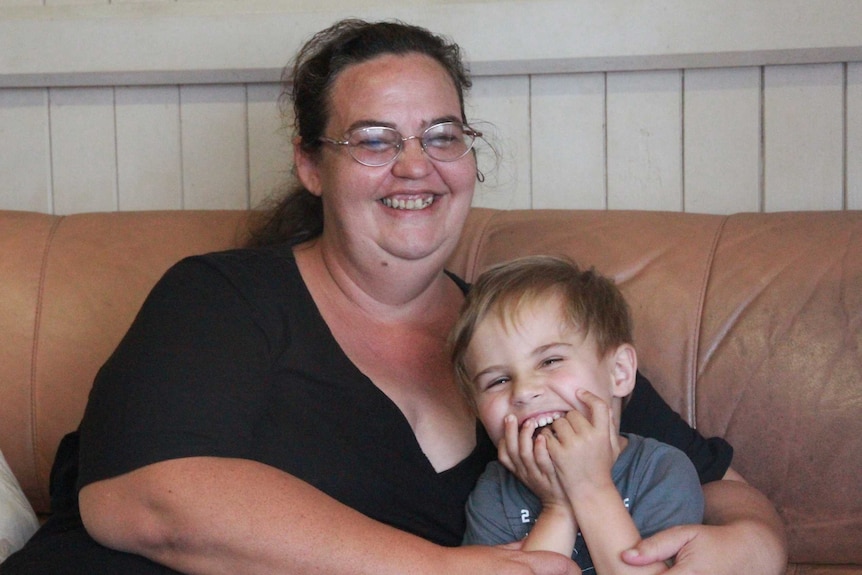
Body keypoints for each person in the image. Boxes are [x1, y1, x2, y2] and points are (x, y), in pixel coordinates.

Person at [1, 18, 785, 575]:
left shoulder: (528, 339)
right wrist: (439, 568)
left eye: (442, 135)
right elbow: (143, 499)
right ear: (311, 164)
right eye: (375, 140)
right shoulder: (224, 295)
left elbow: (720, 485)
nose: (417, 165)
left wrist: (752, 544)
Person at [452, 255, 704, 573]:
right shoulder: (494, 492)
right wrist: (557, 507)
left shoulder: (661, 471)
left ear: (620, 372)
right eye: (498, 380)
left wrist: (589, 487)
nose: (523, 391)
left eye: (550, 361)